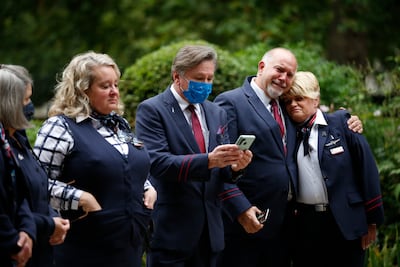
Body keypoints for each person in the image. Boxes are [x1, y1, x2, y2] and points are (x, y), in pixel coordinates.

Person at [213, 47, 363, 267]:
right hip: (246, 223)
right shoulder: (231, 102)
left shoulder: (286, 106)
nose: (284, 78)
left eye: (290, 74)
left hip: (286, 226)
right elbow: (220, 166)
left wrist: (347, 121)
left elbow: (315, 121)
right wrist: (240, 209)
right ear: (262, 67)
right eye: (279, 70)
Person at [33, 51, 156, 267]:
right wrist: (79, 197)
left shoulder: (119, 124)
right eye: (105, 86)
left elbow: (125, 167)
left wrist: (147, 186)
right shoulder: (59, 127)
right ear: (82, 90)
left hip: (129, 246)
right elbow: (35, 184)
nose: (114, 92)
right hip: (83, 249)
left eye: (116, 85)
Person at [135, 45, 253, 267]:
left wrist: (235, 167)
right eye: (199, 78)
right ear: (177, 76)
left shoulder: (215, 112)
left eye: (210, 78)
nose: (206, 84)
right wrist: (209, 160)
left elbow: (221, 173)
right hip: (172, 232)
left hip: (211, 233)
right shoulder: (152, 110)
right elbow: (157, 163)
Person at [281, 71, 384, 267]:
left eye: (299, 98)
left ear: (315, 99)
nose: (293, 104)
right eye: (288, 100)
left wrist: (372, 221)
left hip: (345, 221)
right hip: (305, 224)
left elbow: (367, 171)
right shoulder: (288, 133)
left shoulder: (342, 123)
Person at [0, 64, 70, 267]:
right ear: (9, 104)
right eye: (26, 100)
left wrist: (51, 218)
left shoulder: (17, 138)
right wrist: (45, 225)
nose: (30, 106)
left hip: (38, 249)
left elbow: (29, 190)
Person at [0, 67, 36, 267]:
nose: (29, 105)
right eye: (25, 100)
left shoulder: (10, 140)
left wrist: (27, 231)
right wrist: (14, 243)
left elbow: (19, 195)